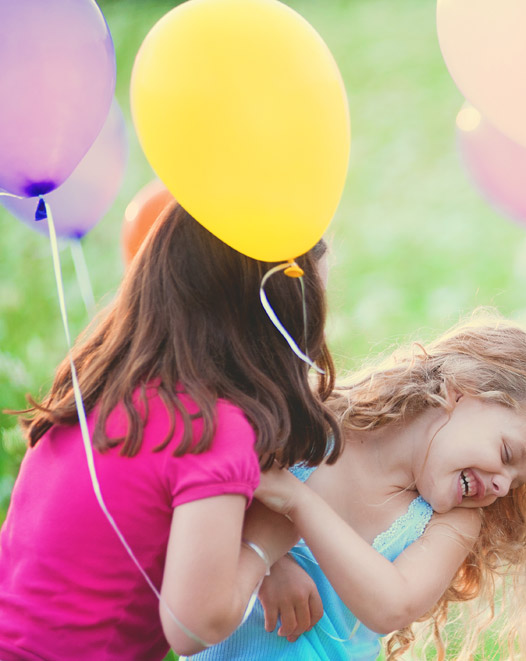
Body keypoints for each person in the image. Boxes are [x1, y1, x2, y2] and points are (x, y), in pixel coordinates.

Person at [0, 203, 340, 660]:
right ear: (273, 319)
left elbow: (145, 507)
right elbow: (192, 625)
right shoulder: (214, 429)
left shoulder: (104, 383)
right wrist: (265, 546)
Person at [190, 316, 526, 661]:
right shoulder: (315, 424)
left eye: (517, 482)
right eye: (507, 453)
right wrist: (267, 563)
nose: (503, 486)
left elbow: (392, 605)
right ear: (460, 391)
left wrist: (298, 503)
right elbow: (209, 486)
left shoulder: (450, 524)